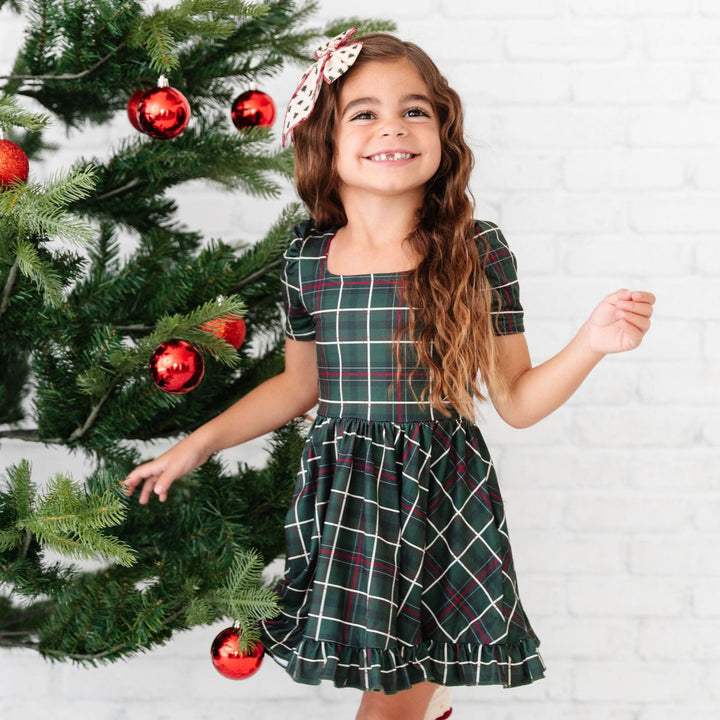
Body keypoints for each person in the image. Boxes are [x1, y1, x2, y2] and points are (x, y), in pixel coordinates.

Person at [124, 29, 655, 720]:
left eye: (415, 110)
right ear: (326, 139)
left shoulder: (475, 249)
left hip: (438, 500)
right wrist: (199, 443)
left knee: (387, 710)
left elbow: (518, 401)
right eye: (364, 112)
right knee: (392, 706)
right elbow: (299, 385)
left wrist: (591, 342)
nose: (393, 127)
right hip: (346, 503)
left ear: (443, 131)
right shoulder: (309, 257)